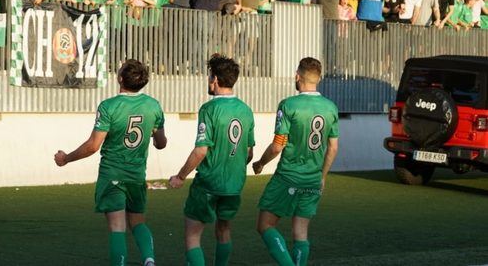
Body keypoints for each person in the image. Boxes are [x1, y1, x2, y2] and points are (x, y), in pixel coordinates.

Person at [54, 59, 167, 266]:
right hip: (136, 175)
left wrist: (66, 158)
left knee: (117, 227)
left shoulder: (109, 106)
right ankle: (149, 260)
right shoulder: (154, 106)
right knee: (138, 223)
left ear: (121, 78)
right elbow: (161, 143)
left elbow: (92, 146)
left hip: (112, 174)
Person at [169, 54, 255, 266]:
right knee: (224, 230)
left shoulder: (209, 109)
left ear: (215, 79)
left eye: (209, 75)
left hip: (209, 183)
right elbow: (249, 152)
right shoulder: (245, 110)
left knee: (192, 235)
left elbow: (201, 150)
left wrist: (180, 176)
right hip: (234, 185)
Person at [252, 57, 339, 266]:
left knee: (265, 225)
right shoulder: (331, 107)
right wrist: (322, 177)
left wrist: (261, 163)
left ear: (297, 76)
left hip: (288, 177)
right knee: (300, 232)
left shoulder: (289, 105)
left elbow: (277, 145)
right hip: (313, 179)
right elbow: (333, 147)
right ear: (318, 79)